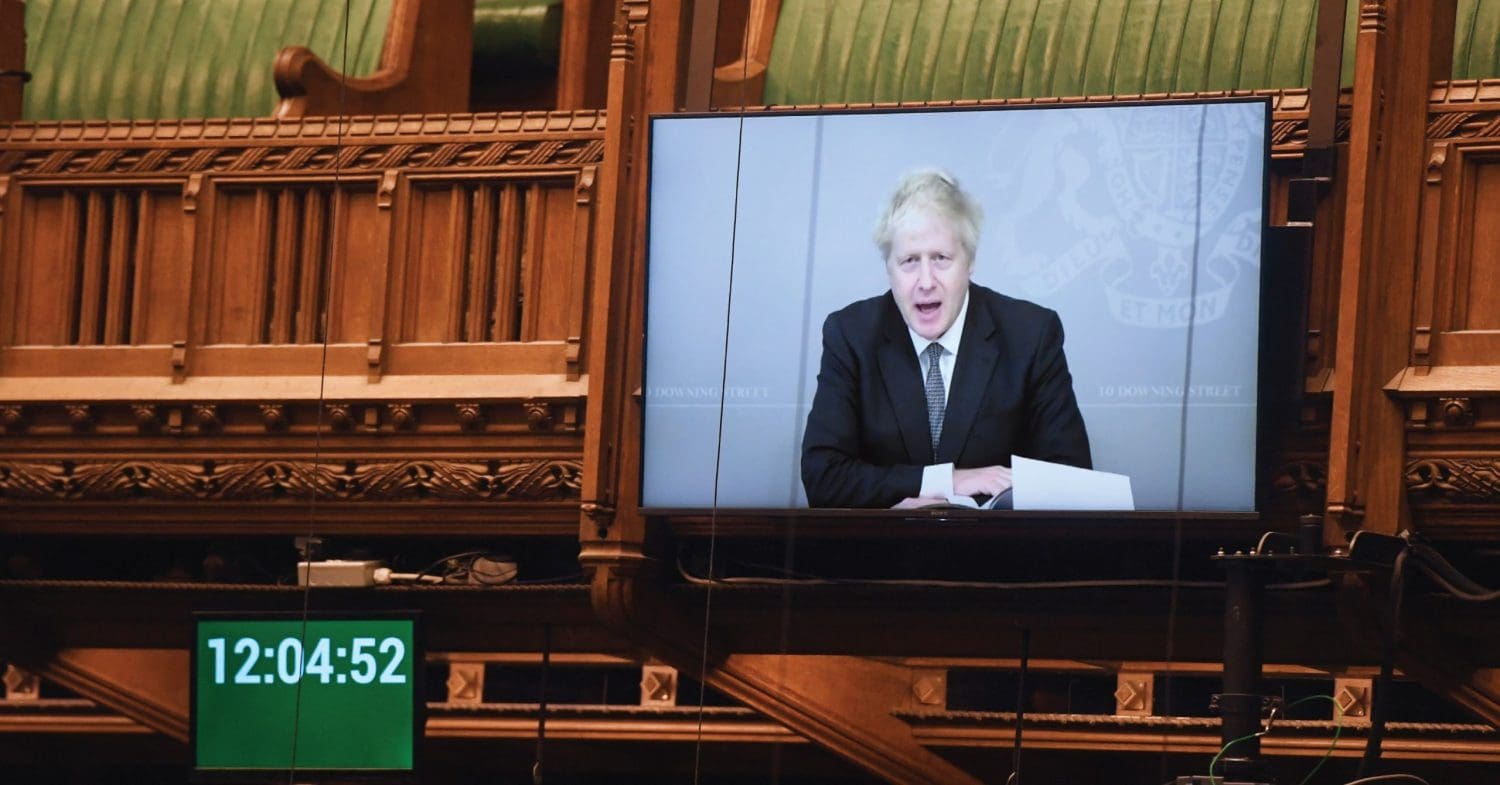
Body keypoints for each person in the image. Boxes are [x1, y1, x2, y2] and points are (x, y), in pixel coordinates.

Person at [801, 168, 1091, 508]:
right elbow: (824, 476)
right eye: (909, 261)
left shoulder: (1031, 334)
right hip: (887, 555)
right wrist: (941, 481)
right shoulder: (851, 335)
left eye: (940, 258)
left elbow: (1071, 479)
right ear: (888, 268)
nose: (925, 281)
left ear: (970, 262)